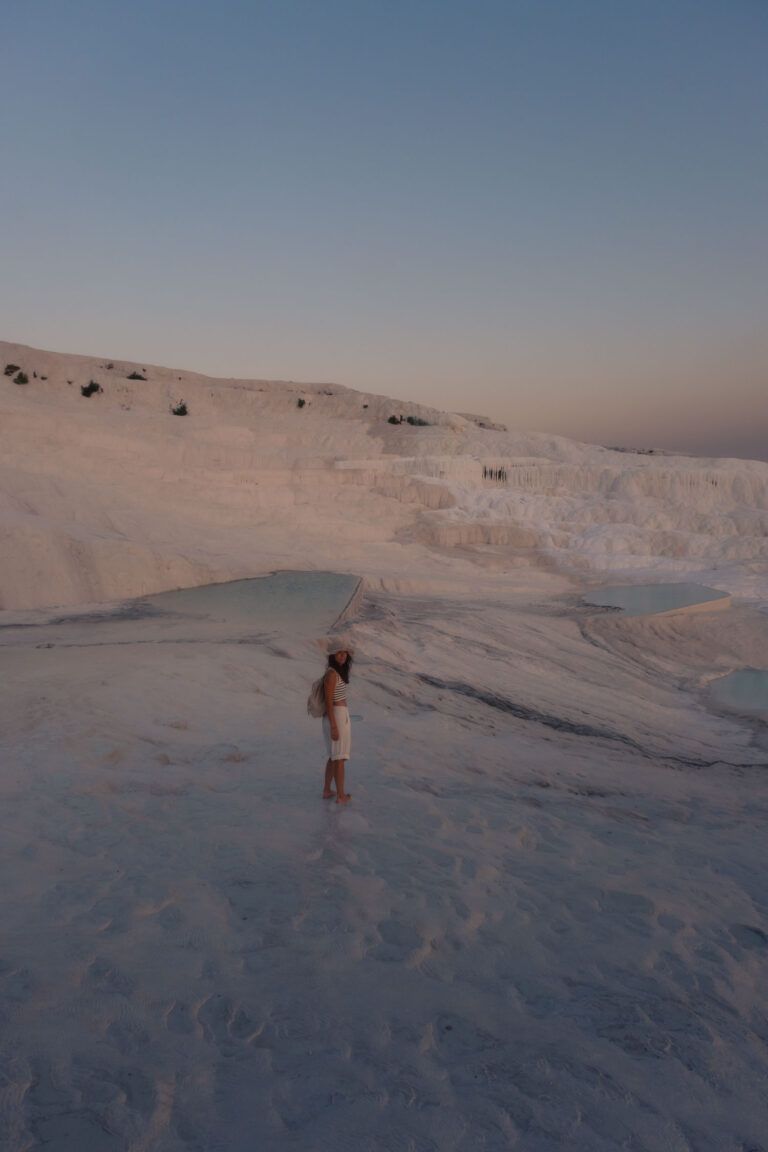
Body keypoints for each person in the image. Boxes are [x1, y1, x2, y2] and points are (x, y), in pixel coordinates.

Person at [322, 641, 353, 804]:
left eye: (345, 652)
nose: (343, 655)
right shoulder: (332, 675)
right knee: (339, 758)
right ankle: (341, 796)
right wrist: (334, 726)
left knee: (334, 757)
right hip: (335, 717)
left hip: (340, 716)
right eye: (339, 652)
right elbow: (328, 701)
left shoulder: (336, 672)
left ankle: (327, 790)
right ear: (333, 655)